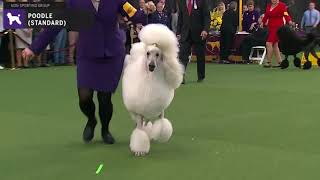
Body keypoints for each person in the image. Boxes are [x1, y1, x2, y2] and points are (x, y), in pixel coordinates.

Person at [23, 0, 156, 144]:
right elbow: (55, 24)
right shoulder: (74, 2)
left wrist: (146, 11)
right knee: (84, 97)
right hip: (87, 54)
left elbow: (135, 15)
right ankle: (91, 120)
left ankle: (105, 130)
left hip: (111, 54)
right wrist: (34, 48)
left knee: (105, 98)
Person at [177, 0, 210, 83]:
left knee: (200, 56)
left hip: (199, 34)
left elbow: (206, 16)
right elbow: (180, 18)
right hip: (185, 34)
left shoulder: (202, 2)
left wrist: (205, 30)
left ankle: (201, 76)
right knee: (182, 56)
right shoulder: (181, 2)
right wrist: (178, 32)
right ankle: (181, 76)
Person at [262, 0, 293, 68]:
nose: (274, 0)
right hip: (270, 28)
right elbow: (266, 16)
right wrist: (263, 23)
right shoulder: (269, 6)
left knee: (269, 43)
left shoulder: (282, 6)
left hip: (278, 28)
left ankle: (268, 61)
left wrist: (289, 21)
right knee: (275, 45)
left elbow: (286, 14)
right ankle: (280, 62)